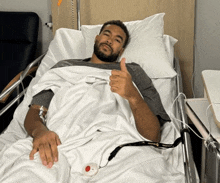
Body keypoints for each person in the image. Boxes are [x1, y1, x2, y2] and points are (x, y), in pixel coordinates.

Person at [24, 20, 170, 169]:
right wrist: (40, 132)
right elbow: (36, 111)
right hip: (61, 142)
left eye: (117, 40)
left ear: (121, 51)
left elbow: (153, 136)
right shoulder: (64, 67)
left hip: (118, 145)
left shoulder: (134, 72)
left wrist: (133, 96)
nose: (110, 40)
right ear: (96, 38)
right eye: (106, 34)